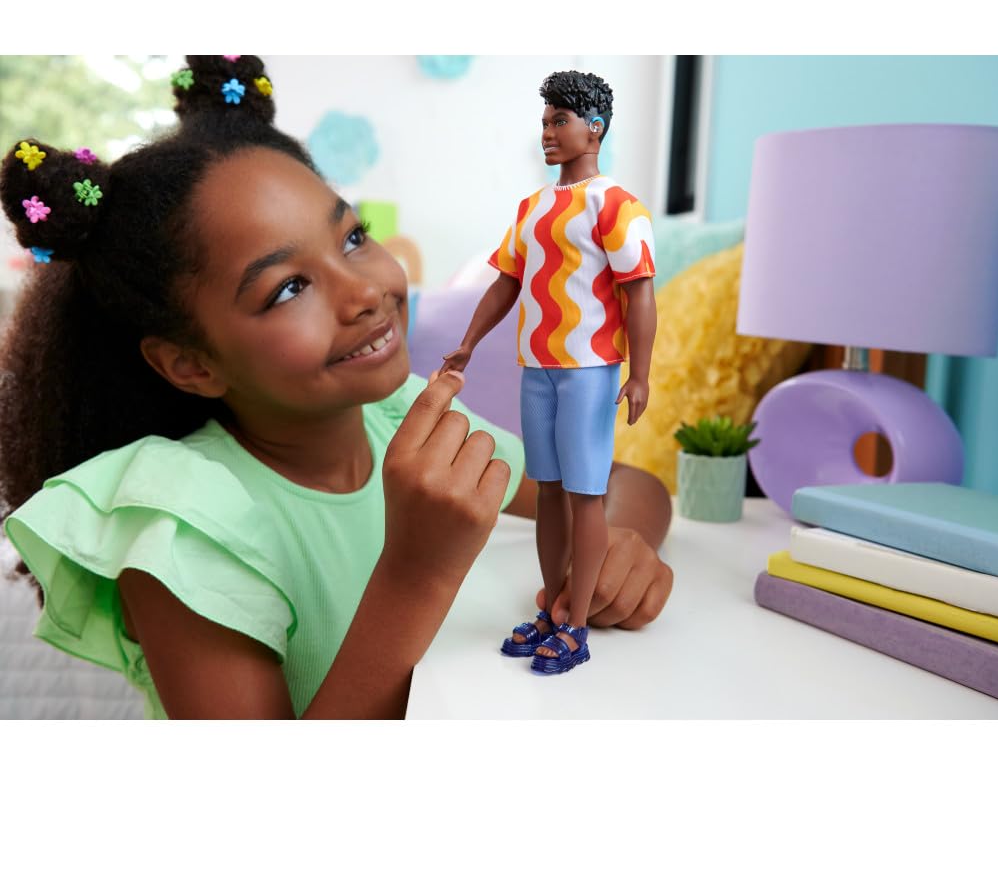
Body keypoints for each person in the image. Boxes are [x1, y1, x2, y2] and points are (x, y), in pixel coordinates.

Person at [0, 55, 672, 719]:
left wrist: (616, 546)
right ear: (190, 364)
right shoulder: (184, 525)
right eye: (289, 288)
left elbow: (628, 485)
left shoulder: (400, 414)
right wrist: (416, 571)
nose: (365, 291)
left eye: (352, 238)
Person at [440, 69, 664, 674]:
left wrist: (639, 374)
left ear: (595, 127)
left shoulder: (617, 205)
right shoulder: (533, 207)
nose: (547, 132)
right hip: (536, 367)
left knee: (586, 495)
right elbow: (506, 282)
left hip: (589, 368)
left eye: (559, 121)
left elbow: (639, 292)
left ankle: (577, 623)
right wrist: (468, 343)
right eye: (544, 121)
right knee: (548, 491)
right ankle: (551, 609)